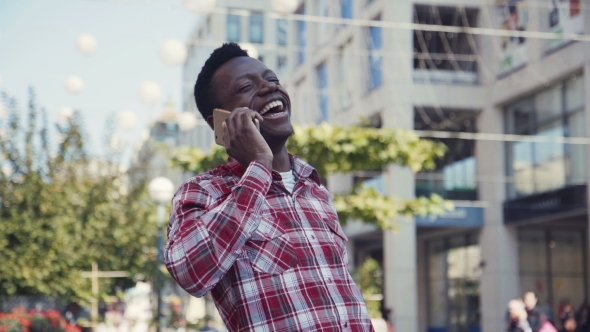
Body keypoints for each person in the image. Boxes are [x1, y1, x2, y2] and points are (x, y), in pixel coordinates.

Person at [164, 43, 373, 331]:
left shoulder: (315, 190)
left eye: (273, 80)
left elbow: (346, 298)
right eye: (246, 87)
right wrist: (259, 166)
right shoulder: (203, 192)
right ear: (221, 124)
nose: (268, 88)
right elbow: (190, 274)